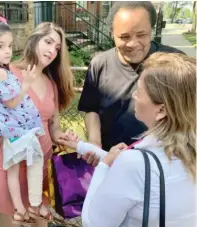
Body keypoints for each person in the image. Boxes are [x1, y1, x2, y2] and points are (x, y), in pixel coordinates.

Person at [59, 52, 196, 227]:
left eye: (139, 91)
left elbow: (93, 222)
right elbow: (137, 171)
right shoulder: (183, 149)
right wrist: (80, 146)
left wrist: (103, 166)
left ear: (161, 110)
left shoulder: (134, 163)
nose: (134, 96)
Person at [0, 22, 75, 227]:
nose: (52, 50)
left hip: (40, 170)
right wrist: (15, 143)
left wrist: (63, 137)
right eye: (48, 42)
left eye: (57, 48)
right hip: (11, 166)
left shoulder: (51, 83)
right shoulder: (7, 73)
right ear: (34, 40)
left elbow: (53, 126)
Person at [77, 1, 185, 153]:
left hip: (161, 158)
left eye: (141, 35)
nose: (133, 44)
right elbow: (91, 109)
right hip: (111, 156)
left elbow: (187, 112)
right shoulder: (99, 64)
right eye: (124, 37)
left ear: (151, 30)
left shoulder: (174, 62)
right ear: (111, 33)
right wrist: (95, 142)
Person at [0, 12, 50, 225]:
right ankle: (34, 204)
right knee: (35, 162)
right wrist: (26, 83)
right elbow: (11, 102)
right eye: (1, 47)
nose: (8, 52)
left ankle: (18, 209)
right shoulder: (1, 73)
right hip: (19, 129)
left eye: (9, 46)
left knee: (13, 171)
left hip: (8, 132)